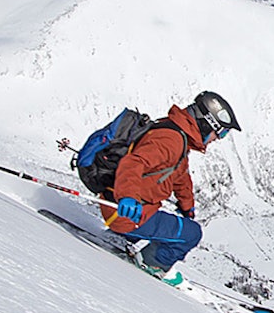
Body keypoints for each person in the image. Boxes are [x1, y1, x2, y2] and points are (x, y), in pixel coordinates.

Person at [101, 90, 241, 285]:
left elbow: (180, 176)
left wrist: (187, 206)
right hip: (126, 211)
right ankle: (152, 264)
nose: (218, 138)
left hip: (122, 206)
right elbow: (133, 163)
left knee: (180, 225)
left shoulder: (177, 135)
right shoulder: (171, 141)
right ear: (206, 123)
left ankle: (121, 238)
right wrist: (128, 197)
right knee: (191, 234)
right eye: (220, 133)